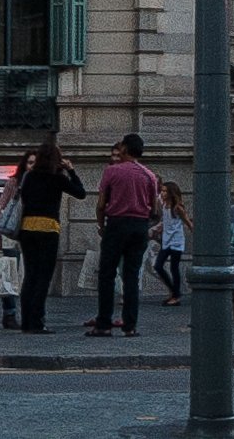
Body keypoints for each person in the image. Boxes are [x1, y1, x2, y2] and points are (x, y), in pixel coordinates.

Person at [88, 133, 160, 338]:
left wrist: (102, 225)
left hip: (117, 224)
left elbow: (101, 204)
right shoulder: (149, 176)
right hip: (139, 225)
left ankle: (104, 324)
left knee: (107, 274)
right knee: (131, 276)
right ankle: (130, 325)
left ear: (125, 149)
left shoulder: (112, 171)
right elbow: (154, 209)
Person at [9, 138, 84, 332]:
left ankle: (26, 322)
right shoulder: (57, 178)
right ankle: (37, 322)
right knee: (43, 277)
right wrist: (71, 170)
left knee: (30, 276)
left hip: (27, 229)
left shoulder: (29, 177)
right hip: (48, 228)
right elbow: (81, 193)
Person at [154, 183, 190, 308]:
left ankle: (176, 296)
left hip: (176, 241)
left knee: (174, 268)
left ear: (171, 193)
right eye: (162, 191)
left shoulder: (177, 207)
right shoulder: (163, 205)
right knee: (158, 266)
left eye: (165, 191)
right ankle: (174, 292)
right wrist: (159, 229)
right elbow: (166, 220)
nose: (162, 193)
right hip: (166, 240)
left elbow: (187, 221)